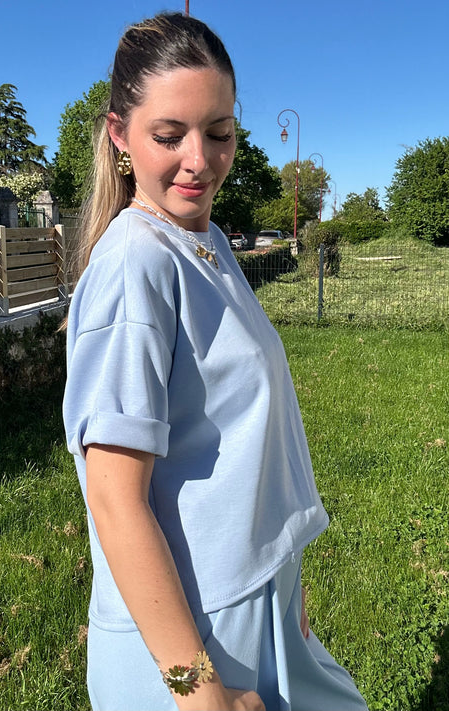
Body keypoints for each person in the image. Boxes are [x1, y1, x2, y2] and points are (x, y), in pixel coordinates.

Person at [63, 12, 368, 711]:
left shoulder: (206, 242)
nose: (199, 160)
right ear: (119, 135)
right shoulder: (136, 264)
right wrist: (196, 690)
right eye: (169, 136)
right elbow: (113, 498)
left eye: (220, 132)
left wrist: (283, 577)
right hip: (192, 641)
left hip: (251, 600)